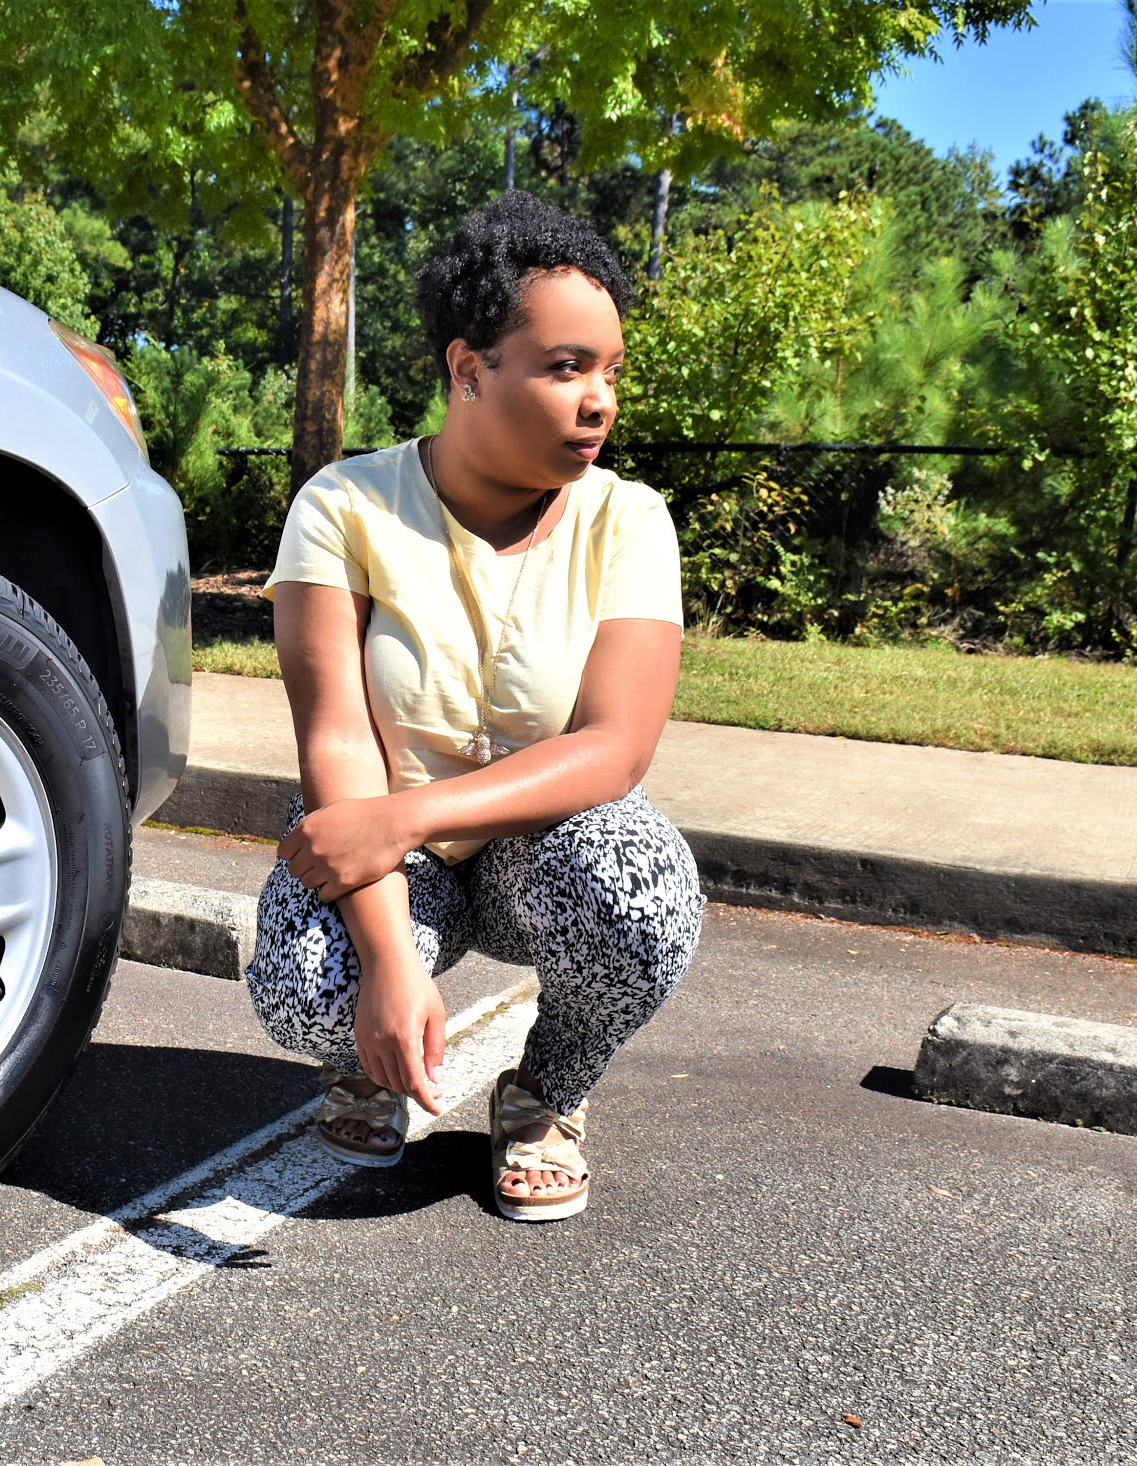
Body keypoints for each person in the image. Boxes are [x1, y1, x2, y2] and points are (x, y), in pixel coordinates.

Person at [243, 191, 707, 1222]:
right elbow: (334, 741)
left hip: (533, 853)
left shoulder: (627, 521)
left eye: (608, 371)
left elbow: (613, 748)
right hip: (393, 862)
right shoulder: (344, 505)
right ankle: (366, 1052)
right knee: (302, 979)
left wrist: (404, 816)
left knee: (639, 893)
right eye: (563, 366)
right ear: (466, 369)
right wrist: (385, 962)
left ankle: (549, 1088)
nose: (598, 399)